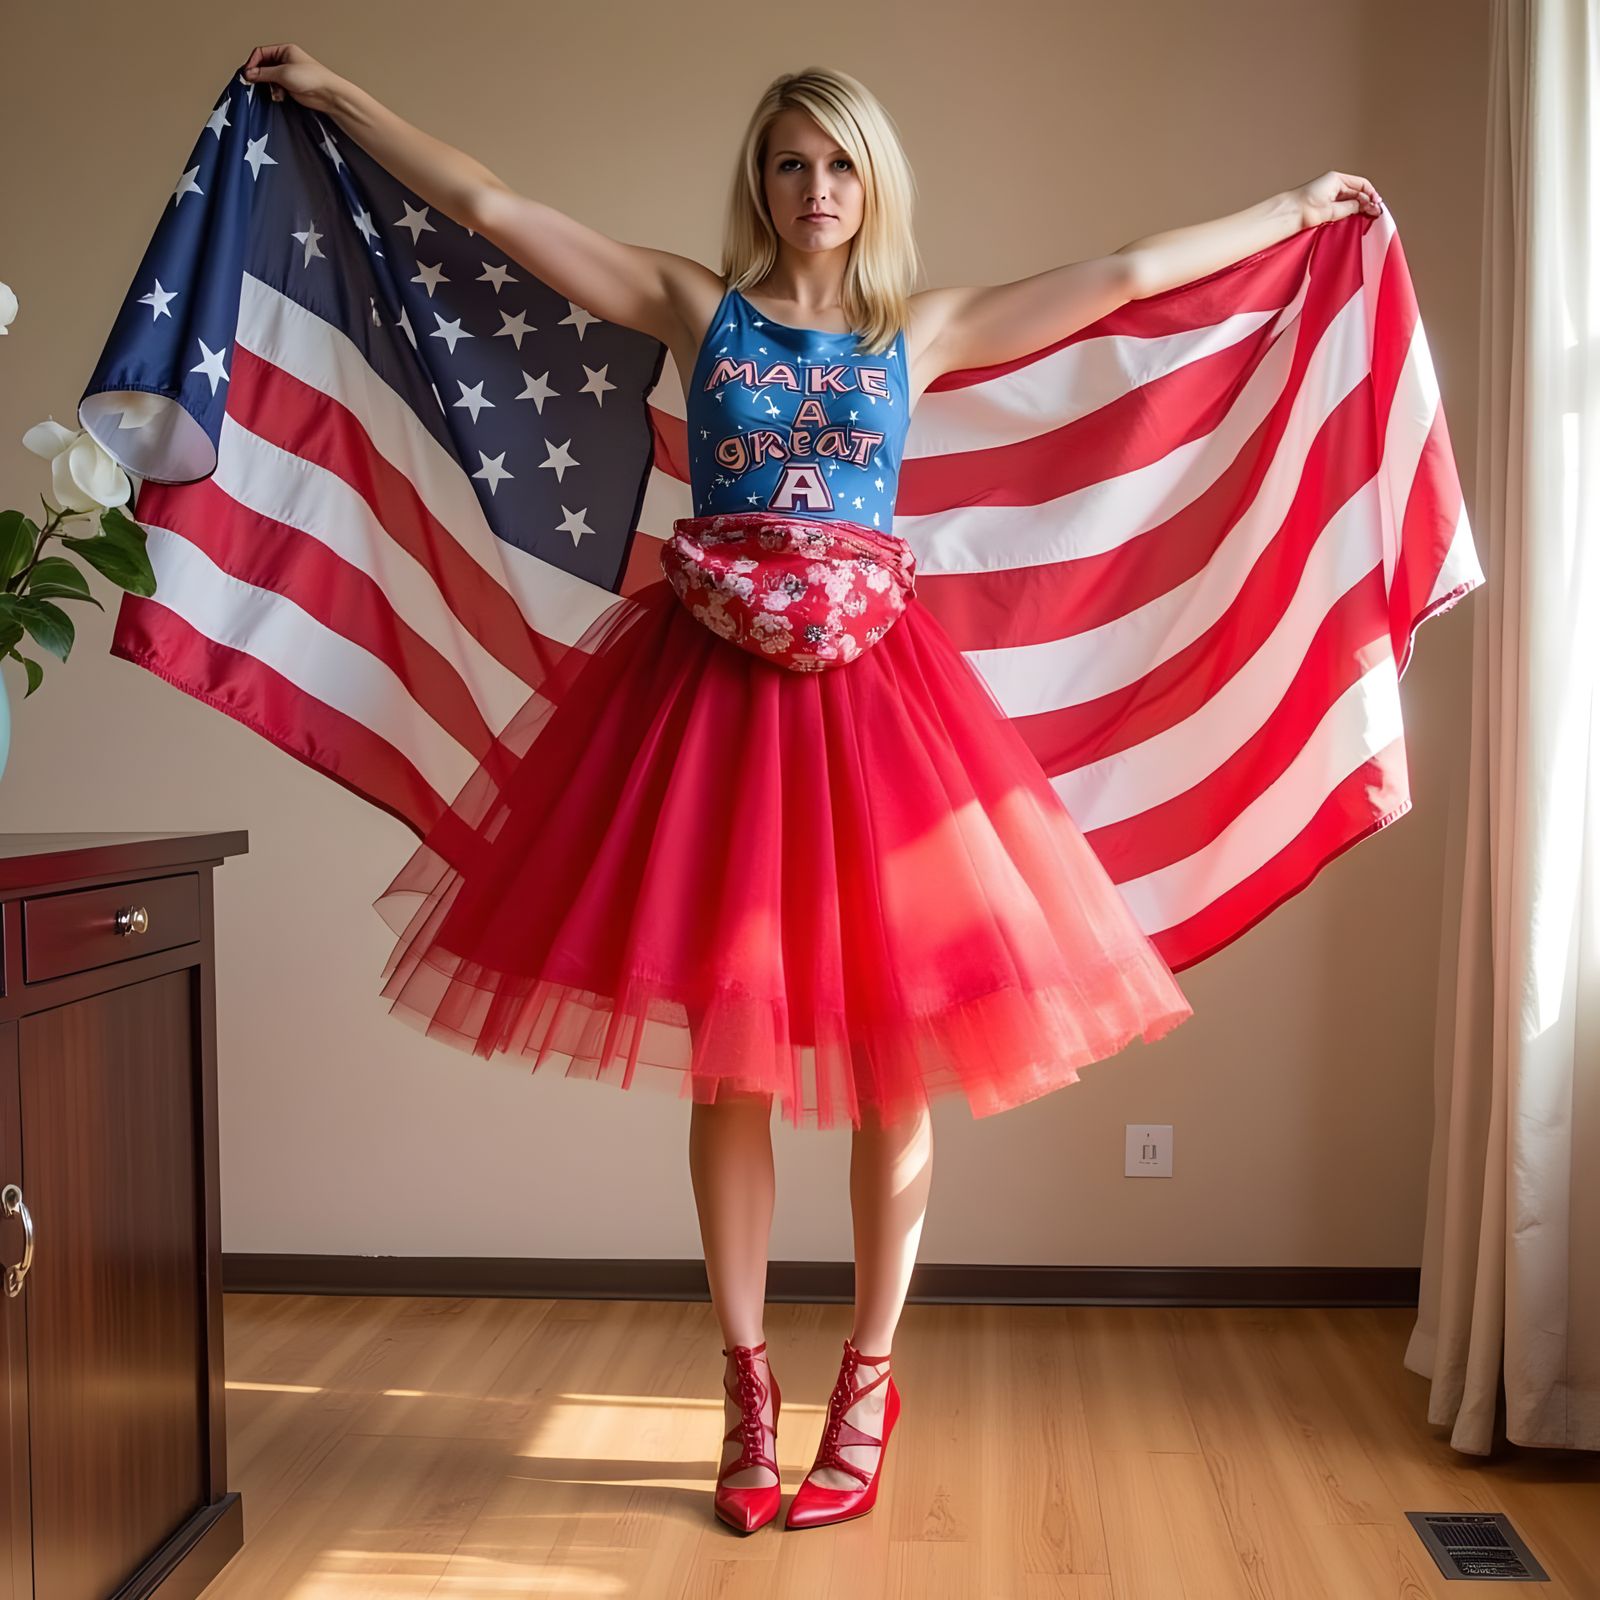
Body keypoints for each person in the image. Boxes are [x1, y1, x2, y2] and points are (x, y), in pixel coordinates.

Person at [242, 43, 1382, 1535]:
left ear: (874, 183)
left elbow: (1123, 271)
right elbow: (499, 206)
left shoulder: (924, 329)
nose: (817, 189)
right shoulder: (692, 305)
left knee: (894, 1067)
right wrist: (340, 102)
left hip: (874, 723)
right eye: (791, 162)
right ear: (759, 181)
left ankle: (868, 1378)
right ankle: (747, 1387)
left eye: (840, 164)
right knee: (734, 1069)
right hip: (704, 710)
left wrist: (1297, 204)